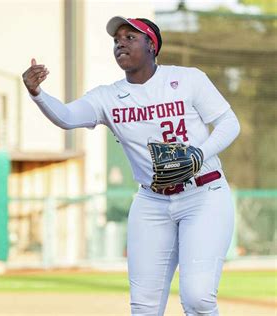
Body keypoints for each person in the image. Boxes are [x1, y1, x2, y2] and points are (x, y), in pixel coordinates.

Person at [22, 16, 240, 316]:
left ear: (152, 45)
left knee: (198, 298)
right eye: (116, 40)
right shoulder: (107, 97)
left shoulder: (188, 79)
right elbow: (67, 117)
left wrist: (199, 154)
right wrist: (38, 94)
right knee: (144, 307)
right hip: (152, 201)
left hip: (204, 194)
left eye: (130, 37)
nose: (120, 43)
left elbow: (229, 123)